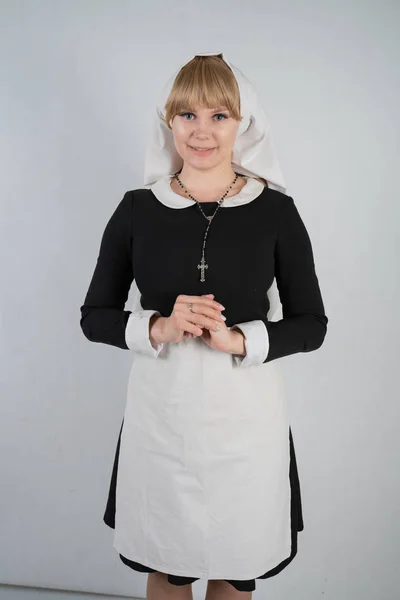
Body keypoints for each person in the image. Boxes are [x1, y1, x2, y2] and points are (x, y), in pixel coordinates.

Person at [80, 52, 328, 598]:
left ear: (245, 123)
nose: (202, 131)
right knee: (168, 565)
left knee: (236, 568)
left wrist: (242, 339)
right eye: (187, 115)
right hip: (161, 420)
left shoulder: (276, 213)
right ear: (168, 121)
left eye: (220, 116)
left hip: (247, 426)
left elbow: (312, 323)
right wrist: (158, 328)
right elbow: (93, 316)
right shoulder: (136, 209)